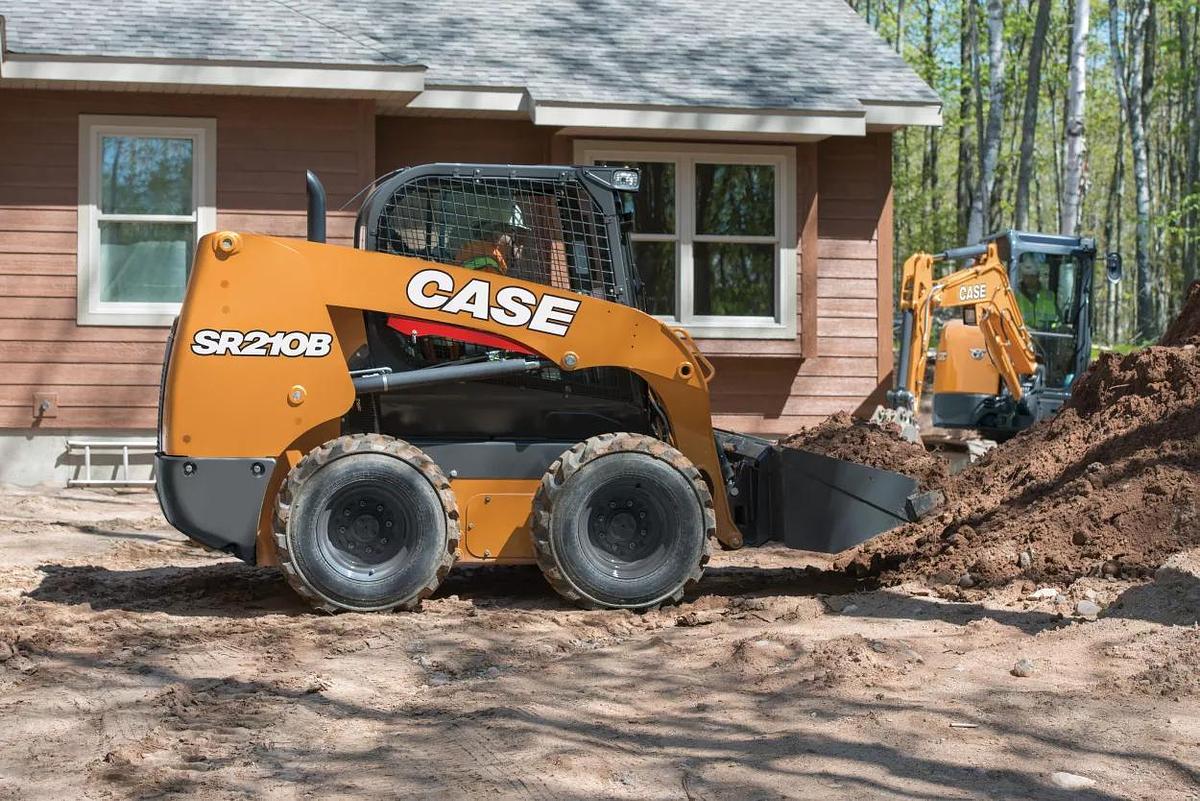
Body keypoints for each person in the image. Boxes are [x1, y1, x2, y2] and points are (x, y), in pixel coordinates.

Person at [455, 203, 528, 275]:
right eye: (517, 239)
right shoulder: (489, 268)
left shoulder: (468, 256)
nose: (520, 247)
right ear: (496, 236)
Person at [1015, 256, 1058, 329]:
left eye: (1032, 276)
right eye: (1026, 276)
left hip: (1047, 335)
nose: (1029, 279)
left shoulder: (1050, 296)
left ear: (1037, 276)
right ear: (1023, 277)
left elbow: (1057, 322)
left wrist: (1051, 328)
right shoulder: (1015, 296)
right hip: (1021, 335)